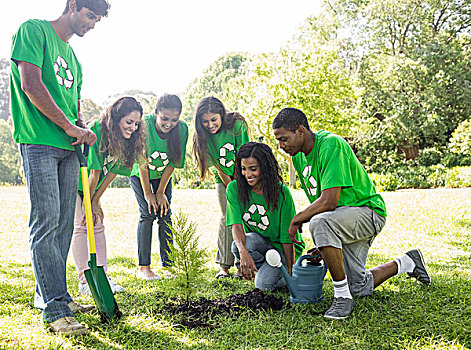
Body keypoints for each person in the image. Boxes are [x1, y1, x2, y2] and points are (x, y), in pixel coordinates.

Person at [9, 0, 110, 335]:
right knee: (47, 221)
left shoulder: (74, 59)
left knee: (65, 224)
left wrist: (82, 128)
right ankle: (54, 310)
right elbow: (31, 85)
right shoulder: (33, 31)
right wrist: (69, 126)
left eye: (96, 20)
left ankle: (57, 296)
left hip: (69, 148)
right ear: (72, 6)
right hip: (39, 141)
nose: (92, 24)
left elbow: (74, 104)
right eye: (89, 16)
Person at [272, 108, 431, 319]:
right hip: (343, 219)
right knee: (358, 286)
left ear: (300, 131)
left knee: (318, 223)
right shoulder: (299, 158)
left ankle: (341, 298)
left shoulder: (330, 144)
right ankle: (408, 262)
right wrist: (325, 245)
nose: (281, 146)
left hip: (368, 211)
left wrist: (297, 220)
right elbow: (324, 207)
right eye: (278, 141)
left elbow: (329, 201)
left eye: (284, 139)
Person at [72, 97, 146, 295]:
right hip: (76, 182)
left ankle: (102, 275)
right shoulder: (97, 128)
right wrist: (87, 202)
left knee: (97, 223)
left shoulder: (127, 139)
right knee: (81, 224)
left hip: (92, 187)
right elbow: (94, 172)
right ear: (116, 117)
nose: (133, 127)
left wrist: (95, 200)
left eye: (137, 123)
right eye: (129, 122)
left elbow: (112, 171)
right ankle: (84, 280)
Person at [227, 142, 305, 290]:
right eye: (243, 169)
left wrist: (290, 272)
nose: (248, 174)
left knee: (263, 286)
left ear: (264, 168)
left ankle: (287, 272)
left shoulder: (281, 193)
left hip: (282, 248)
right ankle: (266, 267)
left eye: (253, 169)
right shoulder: (234, 188)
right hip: (260, 242)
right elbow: (236, 225)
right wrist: (244, 254)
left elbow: (287, 237)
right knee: (238, 247)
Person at [129, 94, 188, 280]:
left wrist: (161, 191)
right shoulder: (144, 125)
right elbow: (142, 163)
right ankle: (144, 268)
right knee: (147, 213)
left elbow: (174, 161)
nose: (169, 124)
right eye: (164, 118)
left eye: (174, 119)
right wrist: (149, 194)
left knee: (165, 213)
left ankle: (168, 265)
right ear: (155, 114)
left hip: (163, 174)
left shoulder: (182, 130)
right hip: (140, 174)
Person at [193, 96, 250, 278]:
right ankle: (224, 266)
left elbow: (246, 154)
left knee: (247, 216)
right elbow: (217, 165)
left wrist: (242, 184)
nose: (210, 125)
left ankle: (244, 264)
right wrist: (232, 186)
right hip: (224, 179)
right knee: (228, 217)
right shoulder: (203, 136)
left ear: (221, 115)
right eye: (205, 121)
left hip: (247, 176)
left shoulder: (237, 125)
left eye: (213, 120)